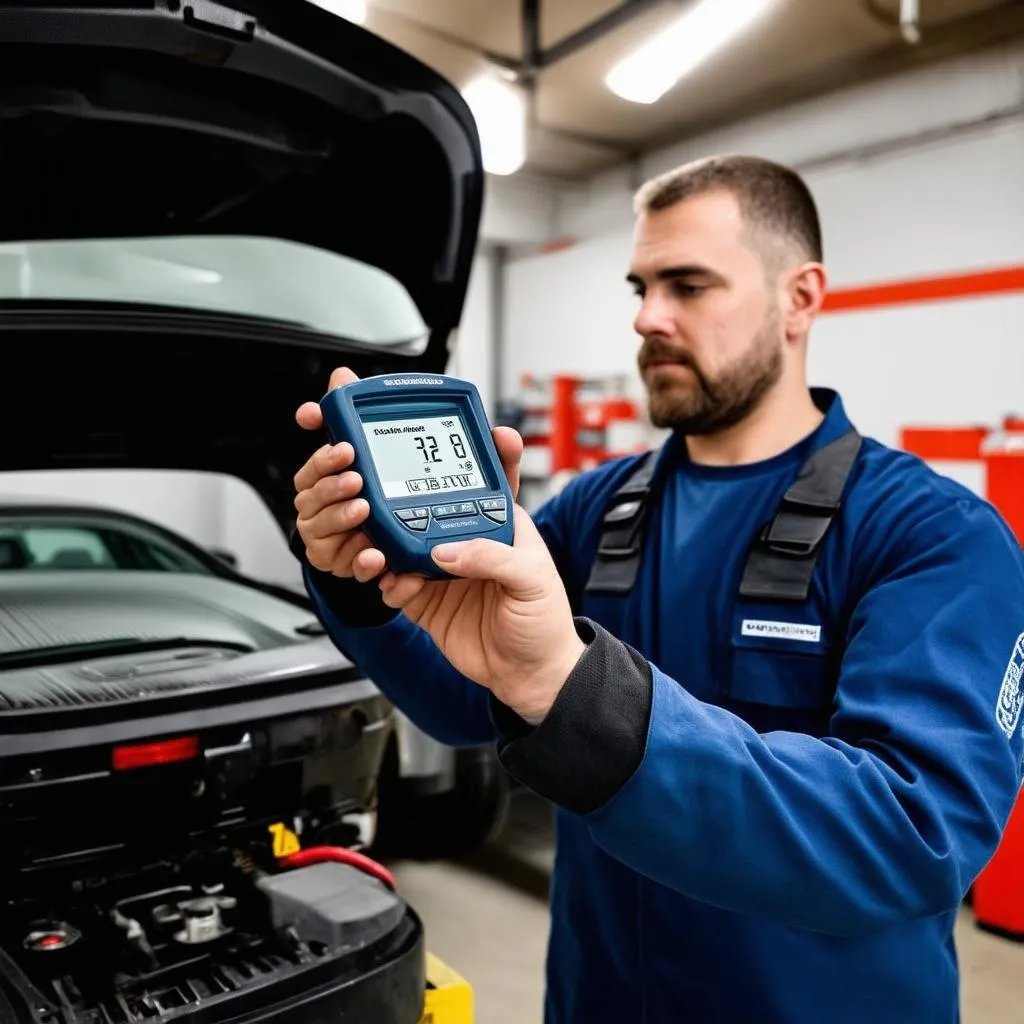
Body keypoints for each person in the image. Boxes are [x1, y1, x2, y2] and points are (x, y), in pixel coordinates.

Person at [289, 155, 1024, 1023]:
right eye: (640, 286)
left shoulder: (934, 534)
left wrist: (584, 697)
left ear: (801, 297)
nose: (648, 318)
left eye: (688, 285)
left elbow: (911, 833)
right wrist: (364, 587)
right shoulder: (600, 505)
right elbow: (464, 700)